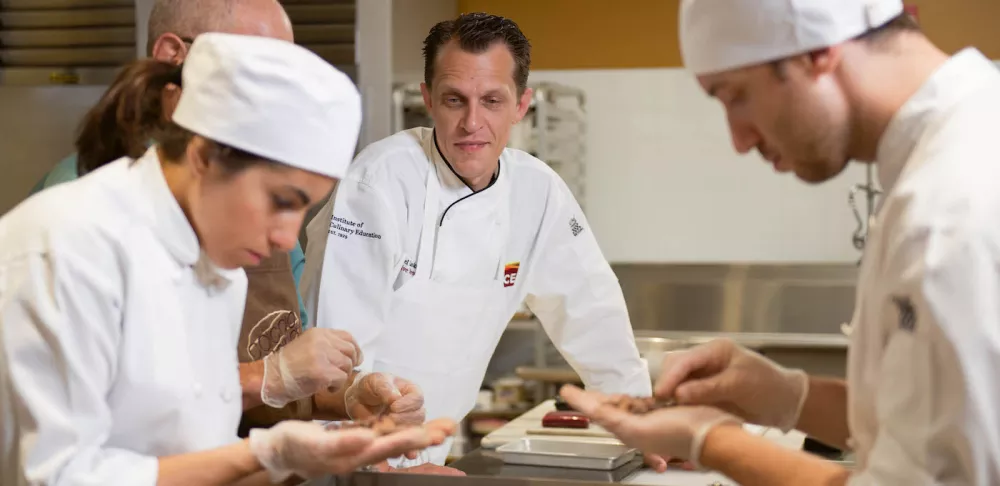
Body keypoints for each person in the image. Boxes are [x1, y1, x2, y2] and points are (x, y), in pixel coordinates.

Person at [561, 0, 1000, 484]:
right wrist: (789, 396)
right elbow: (925, 425)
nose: (739, 140)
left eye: (736, 96)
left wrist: (713, 440)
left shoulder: (949, 210)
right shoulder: (963, 140)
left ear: (816, 52)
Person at [0, 33, 456, 485]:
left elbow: (197, 460)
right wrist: (266, 452)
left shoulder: (220, 270)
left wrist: (303, 458)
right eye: (281, 200)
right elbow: (59, 477)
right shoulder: (67, 247)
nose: (285, 237)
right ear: (204, 157)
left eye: (303, 209)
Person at [301, 12, 653, 467]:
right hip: (342, 460)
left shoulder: (537, 191)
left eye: (491, 100)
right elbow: (331, 363)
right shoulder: (378, 185)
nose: (472, 123)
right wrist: (377, 469)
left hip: (431, 450)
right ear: (428, 100)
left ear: (520, 105)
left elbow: (593, 316)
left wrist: (643, 423)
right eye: (454, 100)